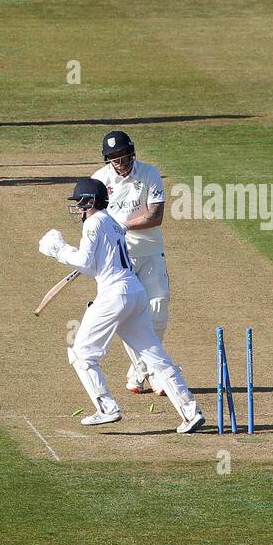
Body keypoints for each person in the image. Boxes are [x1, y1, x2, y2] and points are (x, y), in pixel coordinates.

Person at [38, 179, 205, 434]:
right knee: (154, 355)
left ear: (90, 201)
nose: (78, 208)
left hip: (114, 294)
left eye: (80, 202)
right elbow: (92, 268)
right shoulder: (113, 224)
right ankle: (190, 411)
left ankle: (106, 408)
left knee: (82, 354)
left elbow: (83, 260)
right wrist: (65, 251)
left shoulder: (94, 222)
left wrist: (59, 250)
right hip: (134, 293)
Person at [90, 131, 171, 396]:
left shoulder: (149, 173)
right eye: (114, 157)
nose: (120, 161)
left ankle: (140, 371)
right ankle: (153, 372)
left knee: (158, 308)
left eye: (123, 155)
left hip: (150, 251)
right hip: (117, 258)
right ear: (107, 159)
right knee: (128, 314)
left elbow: (155, 216)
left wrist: (121, 225)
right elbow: (92, 221)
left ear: (132, 152)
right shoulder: (99, 181)